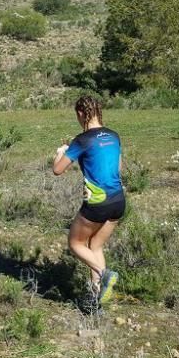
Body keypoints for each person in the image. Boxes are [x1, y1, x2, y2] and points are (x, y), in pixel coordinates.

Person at [53, 95, 125, 306]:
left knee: (75, 243)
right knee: (95, 246)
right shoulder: (114, 135)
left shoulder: (82, 140)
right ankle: (96, 300)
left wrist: (60, 153)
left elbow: (58, 170)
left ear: (81, 114)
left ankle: (105, 275)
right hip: (118, 200)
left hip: (97, 203)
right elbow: (119, 168)